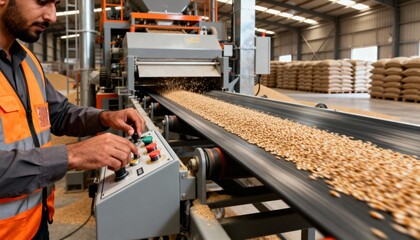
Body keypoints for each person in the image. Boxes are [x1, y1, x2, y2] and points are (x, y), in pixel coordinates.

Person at [0, 0, 146, 239]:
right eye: (42, 2)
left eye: (56, 4)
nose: (53, 16)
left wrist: (106, 117)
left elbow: (58, 112)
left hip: (36, 223)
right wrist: (73, 155)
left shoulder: (27, 61)